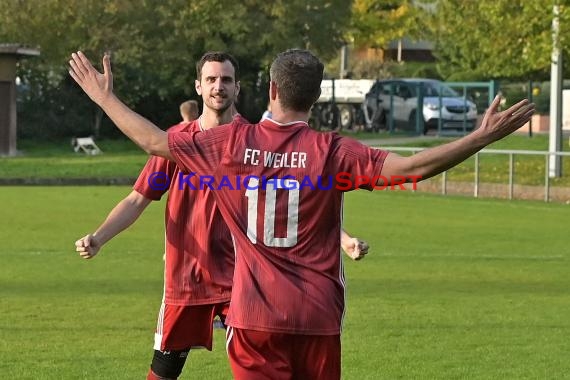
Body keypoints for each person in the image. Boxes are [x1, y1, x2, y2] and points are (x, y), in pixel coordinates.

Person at [68, 49, 534, 379]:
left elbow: (153, 141)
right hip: (318, 316)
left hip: (253, 316)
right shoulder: (333, 152)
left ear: (270, 89)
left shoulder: (229, 145)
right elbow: (414, 167)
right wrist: (479, 137)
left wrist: (103, 96)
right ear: (316, 96)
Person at [72, 51, 369, 380]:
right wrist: (99, 237)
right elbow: (138, 199)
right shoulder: (176, 145)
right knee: (164, 370)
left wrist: (343, 238)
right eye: (211, 79)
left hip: (243, 279)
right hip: (187, 277)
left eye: (226, 80)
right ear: (198, 86)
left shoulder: (253, 144)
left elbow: (290, 203)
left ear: (237, 88)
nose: (218, 86)